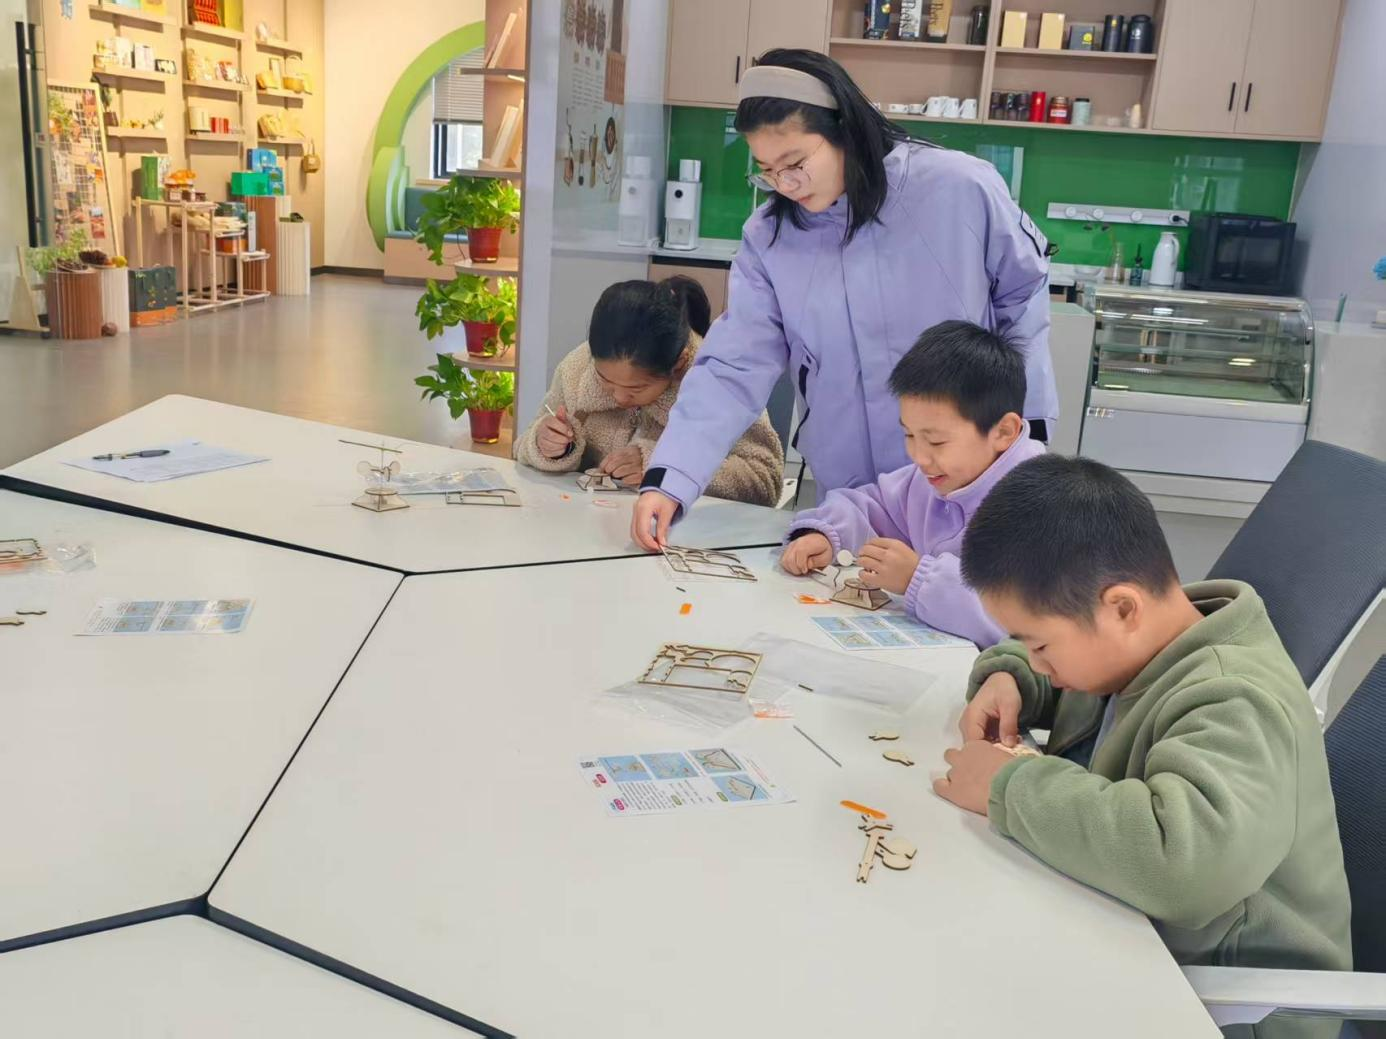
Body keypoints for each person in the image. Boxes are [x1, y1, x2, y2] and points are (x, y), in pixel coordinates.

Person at [936, 455, 1352, 995]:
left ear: (1122, 609)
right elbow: (1077, 677)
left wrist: (1008, 787)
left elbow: (1186, 866)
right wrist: (1012, 676)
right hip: (1122, 926)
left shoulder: (1236, 700)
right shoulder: (1141, 643)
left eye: (1040, 646)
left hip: (1227, 997)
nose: (1037, 660)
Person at [632, 49, 1056, 549]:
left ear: (844, 130)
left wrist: (1028, 431)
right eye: (768, 170)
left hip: (964, 477)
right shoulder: (770, 237)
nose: (786, 185)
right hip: (847, 491)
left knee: (958, 589)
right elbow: (734, 365)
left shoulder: (958, 188)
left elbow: (1023, 301)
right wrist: (672, 476)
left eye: (796, 163)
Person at [780, 321, 1043, 646]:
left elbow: (1023, 621)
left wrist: (919, 579)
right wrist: (826, 534)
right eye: (909, 435)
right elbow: (869, 506)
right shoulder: (930, 480)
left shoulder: (1041, 505)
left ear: (1003, 432)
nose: (919, 456)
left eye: (936, 442)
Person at [515, 277, 783, 506]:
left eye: (637, 388)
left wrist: (664, 466)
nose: (619, 397)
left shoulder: (719, 382)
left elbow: (764, 481)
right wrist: (544, 444)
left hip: (679, 537)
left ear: (678, 364)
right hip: (583, 524)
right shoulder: (577, 368)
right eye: (604, 380)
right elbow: (521, 449)